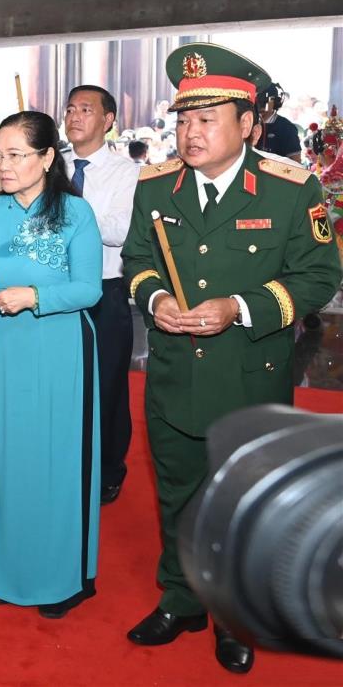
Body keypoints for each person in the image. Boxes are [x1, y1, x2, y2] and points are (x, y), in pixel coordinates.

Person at [121, 44, 341, 674]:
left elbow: (318, 276)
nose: (190, 133)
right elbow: (138, 259)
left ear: (248, 124)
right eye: (183, 119)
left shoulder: (290, 189)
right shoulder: (157, 185)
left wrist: (240, 307)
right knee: (178, 491)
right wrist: (156, 298)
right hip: (173, 371)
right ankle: (182, 599)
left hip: (250, 375)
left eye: (206, 119)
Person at [0, 110, 103, 614]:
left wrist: (35, 296)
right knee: (8, 454)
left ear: (46, 157)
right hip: (5, 345)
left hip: (61, 347)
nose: (4, 165)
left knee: (58, 459)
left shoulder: (75, 213)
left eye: (16, 155)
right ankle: (10, 571)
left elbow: (88, 289)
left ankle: (63, 579)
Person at [63, 85, 139, 504]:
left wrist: (65, 212)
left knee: (106, 384)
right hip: (56, 291)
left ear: (108, 120)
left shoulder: (125, 172)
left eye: (86, 110)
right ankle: (65, 462)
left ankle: (108, 467)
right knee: (63, 383)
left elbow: (118, 231)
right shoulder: (50, 164)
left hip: (104, 292)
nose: (75, 116)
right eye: (70, 109)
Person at [254, 82, 302, 163]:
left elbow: (296, 163)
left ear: (275, 102)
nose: (261, 107)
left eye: (266, 102)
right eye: (258, 102)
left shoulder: (287, 128)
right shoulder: (248, 124)